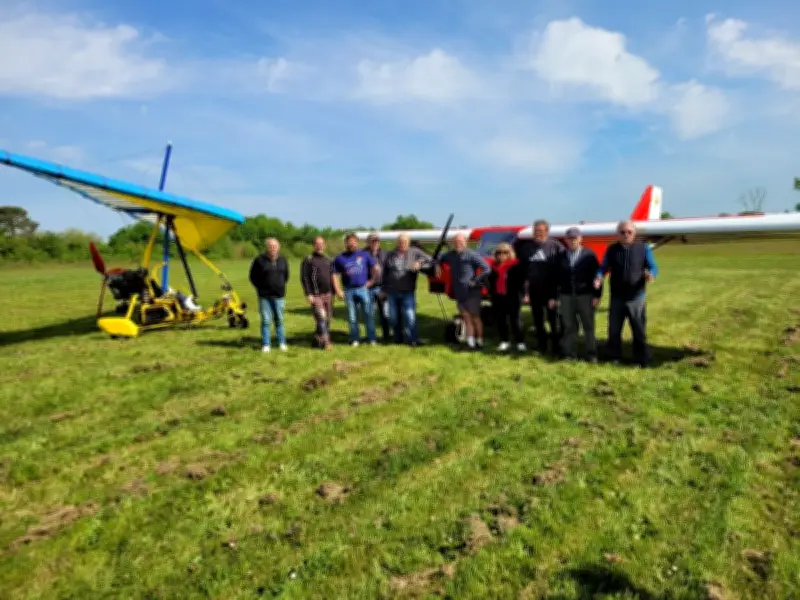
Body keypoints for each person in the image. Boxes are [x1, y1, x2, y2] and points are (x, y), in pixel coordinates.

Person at [594, 219, 659, 367]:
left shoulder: (643, 248)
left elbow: (653, 266)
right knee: (614, 329)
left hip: (636, 297)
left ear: (634, 233)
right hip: (617, 297)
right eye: (622, 232)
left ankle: (640, 359)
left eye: (629, 232)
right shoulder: (612, 249)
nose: (626, 235)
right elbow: (603, 267)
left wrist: (651, 274)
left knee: (638, 329)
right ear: (618, 234)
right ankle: (614, 356)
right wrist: (598, 276)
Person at [551, 227, 601, 362]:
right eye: (570, 238)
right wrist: (554, 297)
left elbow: (597, 276)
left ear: (580, 239)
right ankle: (569, 353)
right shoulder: (560, 256)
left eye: (575, 238)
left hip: (585, 295)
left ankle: (591, 354)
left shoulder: (589, 255)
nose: (572, 241)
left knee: (588, 326)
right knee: (569, 326)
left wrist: (597, 295)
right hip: (566, 296)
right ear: (566, 240)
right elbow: (554, 279)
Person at [514, 219, 564, 355]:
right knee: (538, 320)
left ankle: (556, 348)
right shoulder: (526, 248)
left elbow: (563, 267)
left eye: (541, 231)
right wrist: (525, 292)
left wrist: (559, 291)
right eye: (536, 231)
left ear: (547, 232)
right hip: (534, 290)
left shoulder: (556, 246)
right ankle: (542, 346)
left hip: (552, 290)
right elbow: (523, 270)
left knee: (554, 320)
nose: (538, 233)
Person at [436, 233, 491, 349]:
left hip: (472, 291)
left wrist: (475, 280)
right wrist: (437, 265)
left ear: (465, 242)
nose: (458, 244)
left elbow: (486, 268)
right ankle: (470, 342)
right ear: (452, 243)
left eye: (460, 241)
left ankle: (479, 341)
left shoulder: (472, 254)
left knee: (475, 317)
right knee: (466, 317)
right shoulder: (450, 255)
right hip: (459, 291)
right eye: (455, 242)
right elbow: (438, 257)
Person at [380, 233, 432, 346]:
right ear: (396, 243)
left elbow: (429, 258)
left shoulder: (414, 251)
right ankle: (397, 337)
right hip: (391, 291)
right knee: (392, 317)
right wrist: (383, 289)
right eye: (400, 242)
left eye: (404, 242)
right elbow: (385, 273)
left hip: (408, 291)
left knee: (409, 315)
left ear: (408, 243)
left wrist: (419, 262)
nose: (402, 244)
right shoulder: (390, 255)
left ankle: (412, 339)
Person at [332, 233, 380, 346]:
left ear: (357, 243)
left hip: (363, 289)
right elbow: (334, 275)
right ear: (346, 243)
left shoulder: (364, 255)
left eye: (354, 241)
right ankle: (355, 338)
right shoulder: (339, 258)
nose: (352, 244)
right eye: (349, 242)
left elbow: (376, 268)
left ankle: (371, 338)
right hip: (348, 290)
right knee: (352, 316)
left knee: (368, 314)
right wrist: (338, 290)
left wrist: (372, 281)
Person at [248, 237, 289, 352]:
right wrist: (261, 288)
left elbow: (286, 276)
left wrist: (280, 285)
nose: (273, 248)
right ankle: (266, 344)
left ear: (278, 247)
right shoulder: (259, 260)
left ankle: (282, 342)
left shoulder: (283, 260)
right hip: (265, 296)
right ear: (267, 247)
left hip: (279, 296)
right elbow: (252, 276)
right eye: (270, 246)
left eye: (275, 246)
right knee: (266, 321)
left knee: (279, 320)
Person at [487, 242, 525, 352]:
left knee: (515, 320)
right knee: (501, 320)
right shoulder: (493, 267)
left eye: (505, 252)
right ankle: (504, 341)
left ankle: (520, 342)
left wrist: (523, 294)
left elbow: (521, 282)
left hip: (513, 297)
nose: (502, 255)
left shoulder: (516, 265)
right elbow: (490, 281)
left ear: (510, 253)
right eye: (499, 253)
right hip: (498, 297)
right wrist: (491, 292)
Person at [300, 236, 335, 350]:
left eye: (321, 244)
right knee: (321, 317)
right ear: (314, 245)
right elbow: (304, 277)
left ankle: (317, 340)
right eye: (317, 244)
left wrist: (335, 291)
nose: (319, 246)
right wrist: (308, 294)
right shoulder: (308, 260)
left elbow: (333, 276)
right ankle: (326, 342)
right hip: (316, 295)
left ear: (324, 245)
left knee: (327, 319)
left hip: (328, 294)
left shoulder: (328, 259)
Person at [364, 232, 391, 342]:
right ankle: (371, 337)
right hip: (368, 288)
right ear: (368, 242)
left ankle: (386, 335)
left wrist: (387, 287)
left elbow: (389, 270)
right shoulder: (362, 254)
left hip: (382, 287)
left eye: (377, 241)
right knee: (369, 313)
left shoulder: (386, 253)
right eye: (372, 241)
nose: (375, 243)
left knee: (385, 313)